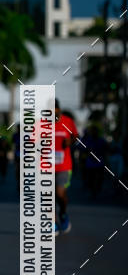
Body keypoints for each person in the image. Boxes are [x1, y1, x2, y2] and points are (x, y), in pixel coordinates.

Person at [54, 98, 78, 235]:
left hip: (64, 166)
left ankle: (63, 214)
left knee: (60, 193)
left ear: (58, 109)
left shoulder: (67, 122)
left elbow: (75, 136)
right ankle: (52, 223)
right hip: (46, 166)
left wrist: (70, 141)